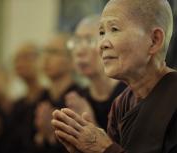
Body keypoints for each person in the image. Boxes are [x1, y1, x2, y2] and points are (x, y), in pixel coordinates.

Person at [51, 0, 177, 153]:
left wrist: (106, 148)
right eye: (102, 33)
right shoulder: (121, 105)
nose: (102, 44)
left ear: (154, 40)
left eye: (114, 29)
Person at [66, 14, 126, 130]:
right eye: (77, 41)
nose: (79, 51)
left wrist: (90, 125)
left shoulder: (127, 97)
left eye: (89, 40)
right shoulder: (77, 97)